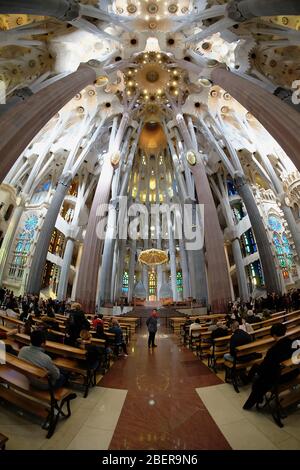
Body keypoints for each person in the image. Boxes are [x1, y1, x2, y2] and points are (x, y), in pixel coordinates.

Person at [243, 323, 300, 410]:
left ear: (273, 335)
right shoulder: (294, 343)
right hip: (293, 373)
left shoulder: (273, 350)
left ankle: (250, 404)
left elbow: (264, 370)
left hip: (280, 378)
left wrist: (259, 372)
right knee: (260, 373)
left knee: (258, 380)